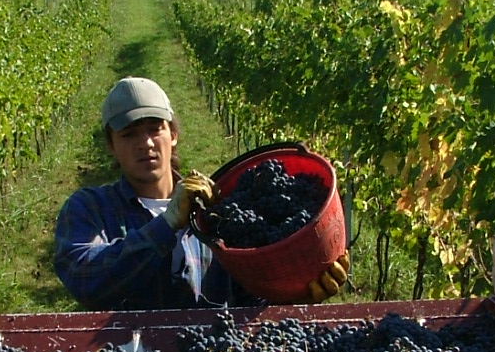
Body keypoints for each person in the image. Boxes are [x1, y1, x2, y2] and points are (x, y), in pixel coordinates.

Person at [54, 76, 349, 310]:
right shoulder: (89, 208)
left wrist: (296, 294)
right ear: (111, 146)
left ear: (173, 134)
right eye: (129, 134)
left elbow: (247, 299)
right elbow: (85, 279)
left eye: (155, 129)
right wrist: (166, 225)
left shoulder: (218, 210)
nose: (145, 143)